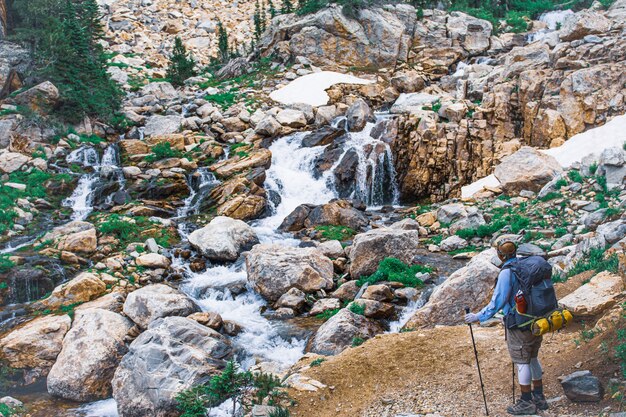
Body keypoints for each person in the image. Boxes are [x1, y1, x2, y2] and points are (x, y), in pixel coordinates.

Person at [464, 241, 548, 415]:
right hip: (538, 320)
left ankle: (526, 402)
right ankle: (539, 397)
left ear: (500, 255)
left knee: (522, 362)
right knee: (532, 358)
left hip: (519, 323)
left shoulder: (507, 272)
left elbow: (498, 301)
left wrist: (478, 316)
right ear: (515, 252)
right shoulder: (526, 265)